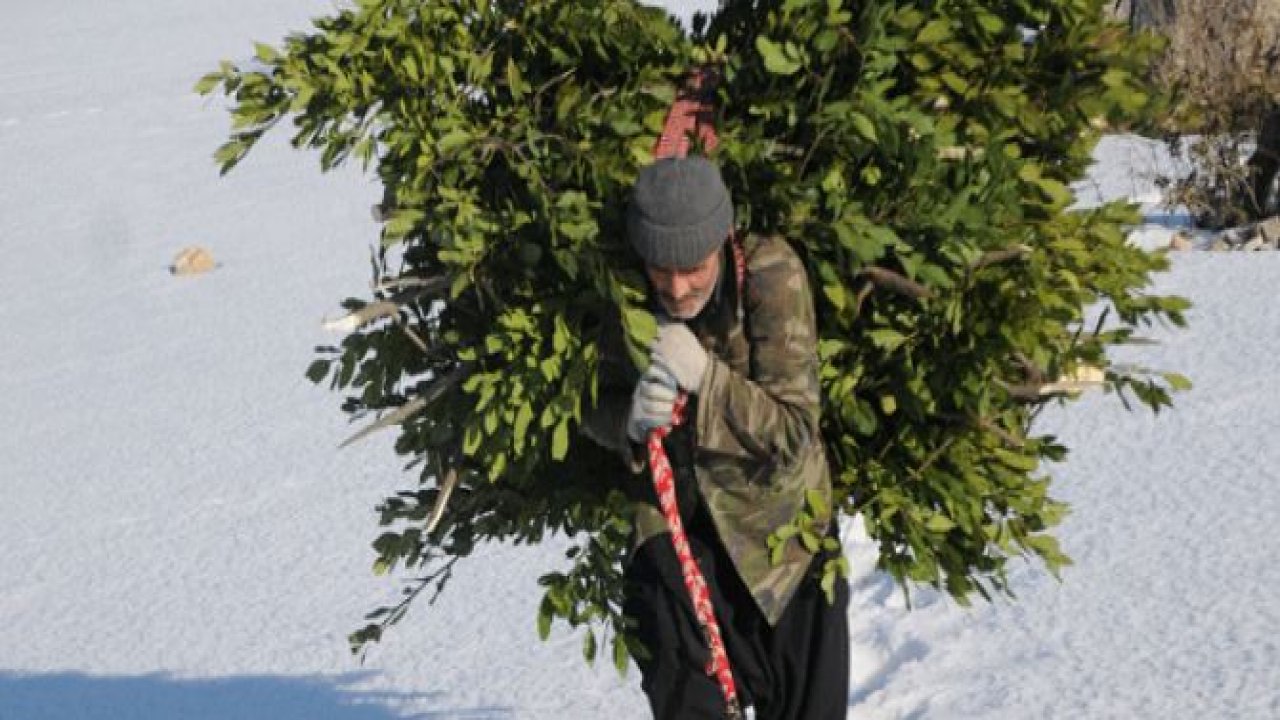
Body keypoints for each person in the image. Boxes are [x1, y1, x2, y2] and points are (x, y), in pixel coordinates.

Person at [582, 156, 850, 719]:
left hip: (786, 535)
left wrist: (707, 379)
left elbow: (795, 431)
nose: (677, 287)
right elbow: (585, 404)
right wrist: (628, 421)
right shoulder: (620, 287)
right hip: (676, 532)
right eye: (661, 269)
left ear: (722, 240)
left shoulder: (772, 275)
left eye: (695, 268)